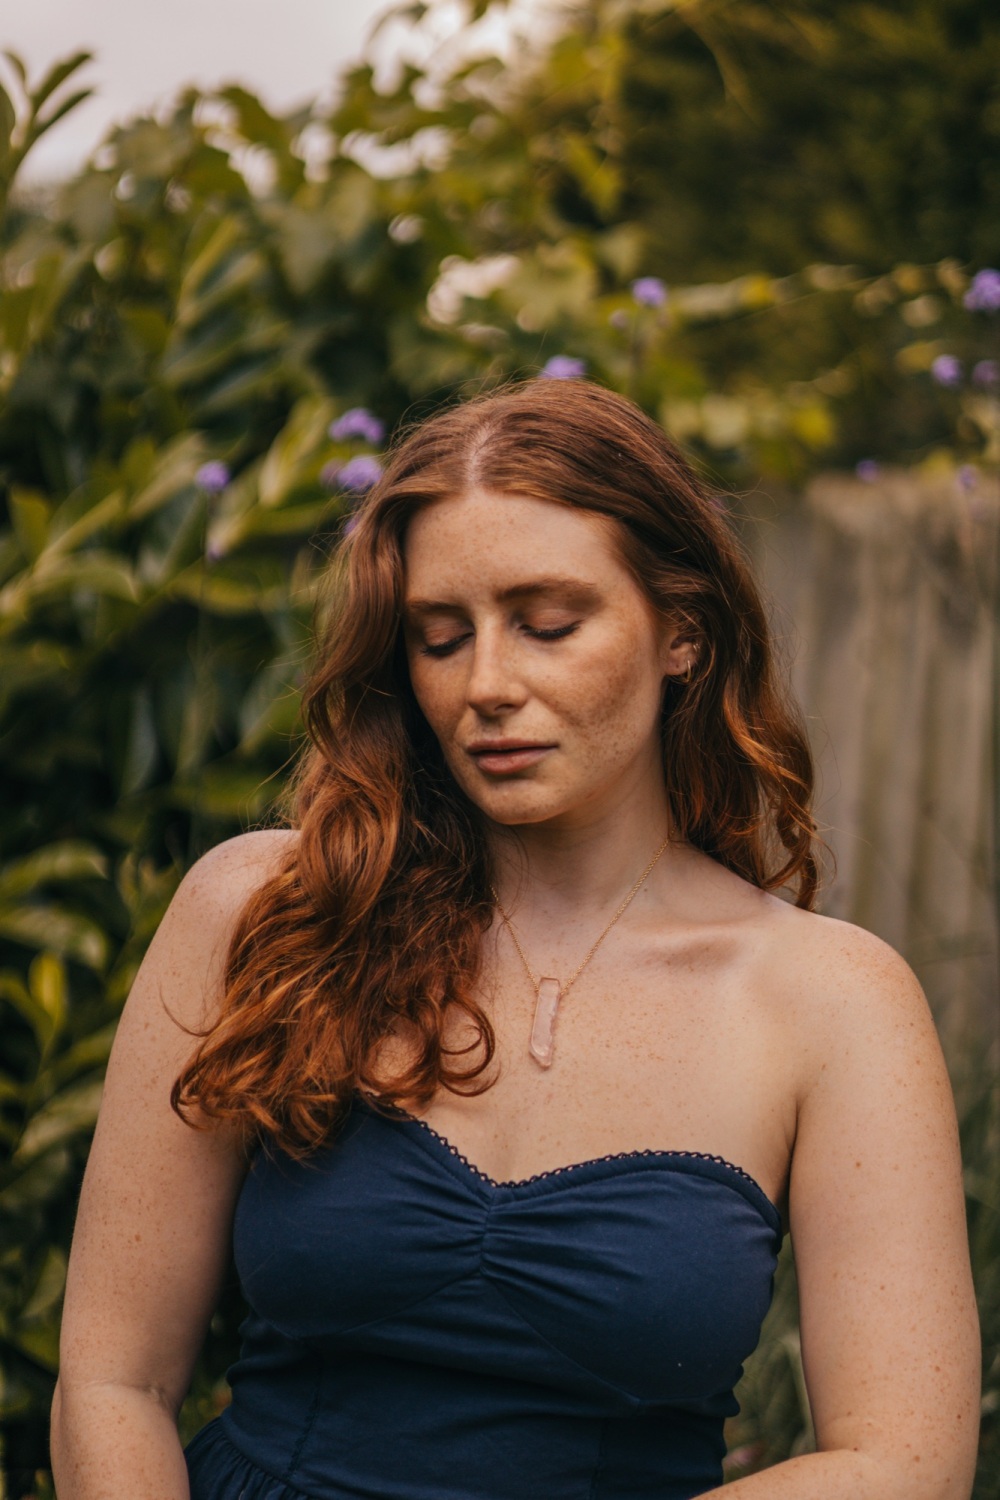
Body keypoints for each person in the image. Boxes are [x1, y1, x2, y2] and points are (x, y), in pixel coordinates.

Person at [51, 379, 980, 1500]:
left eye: (548, 626)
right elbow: (115, 1382)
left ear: (681, 633)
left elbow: (901, 1460)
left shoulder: (832, 1003)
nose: (486, 686)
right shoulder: (267, 911)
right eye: (442, 639)